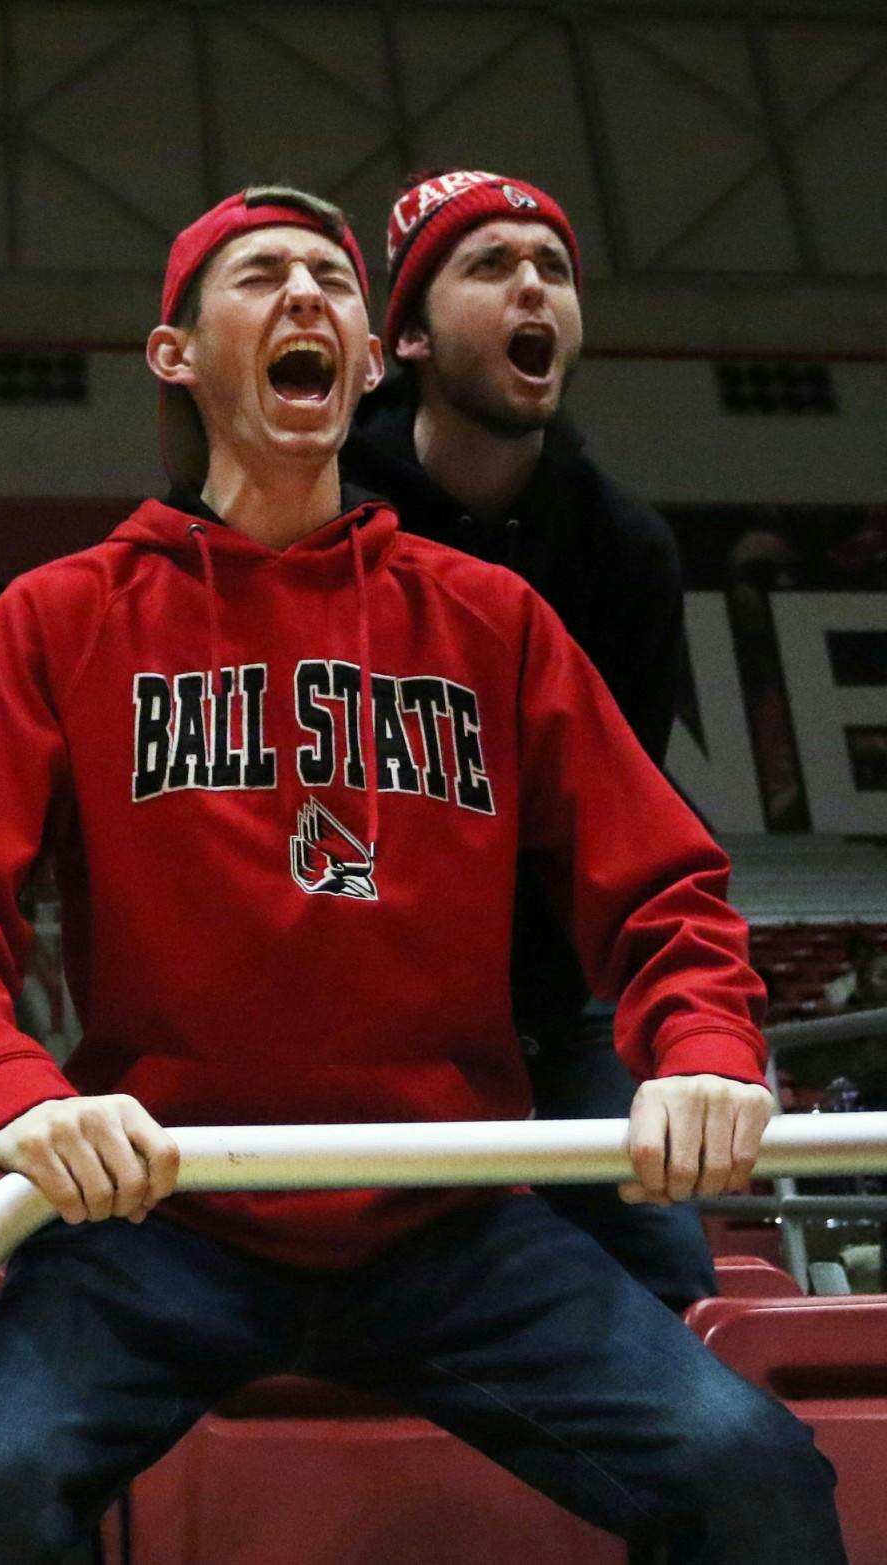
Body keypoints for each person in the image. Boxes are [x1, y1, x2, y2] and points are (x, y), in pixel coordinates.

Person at [0, 186, 842, 1564]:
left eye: (332, 278)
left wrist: (703, 1045)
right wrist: (18, 1094)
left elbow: (666, 883)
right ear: (176, 355)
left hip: (450, 1229)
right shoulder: (62, 617)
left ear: (370, 362)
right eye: (262, 277)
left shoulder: (492, 618)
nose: (309, 298)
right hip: (164, 1223)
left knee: (753, 1473)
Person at [339, 167, 714, 1310]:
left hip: (553, 999)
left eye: (550, 267)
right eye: (489, 266)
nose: (531, 287)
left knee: (670, 1290)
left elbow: (617, 818)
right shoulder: (321, 511)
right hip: (355, 999)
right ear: (403, 332)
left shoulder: (624, 551)